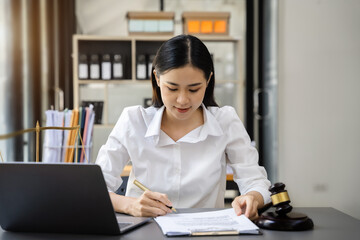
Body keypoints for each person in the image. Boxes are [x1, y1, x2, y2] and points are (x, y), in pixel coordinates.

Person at [96, 34, 271, 220]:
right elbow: (96, 189)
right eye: (172, 88)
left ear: (208, 80)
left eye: (194, 89)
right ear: (157, 78)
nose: (182, 100)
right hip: (145, 230)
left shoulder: (225, 121)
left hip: (206, 231)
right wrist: (130, 205)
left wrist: (252, 197)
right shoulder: (133, 121)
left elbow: (256, 182)